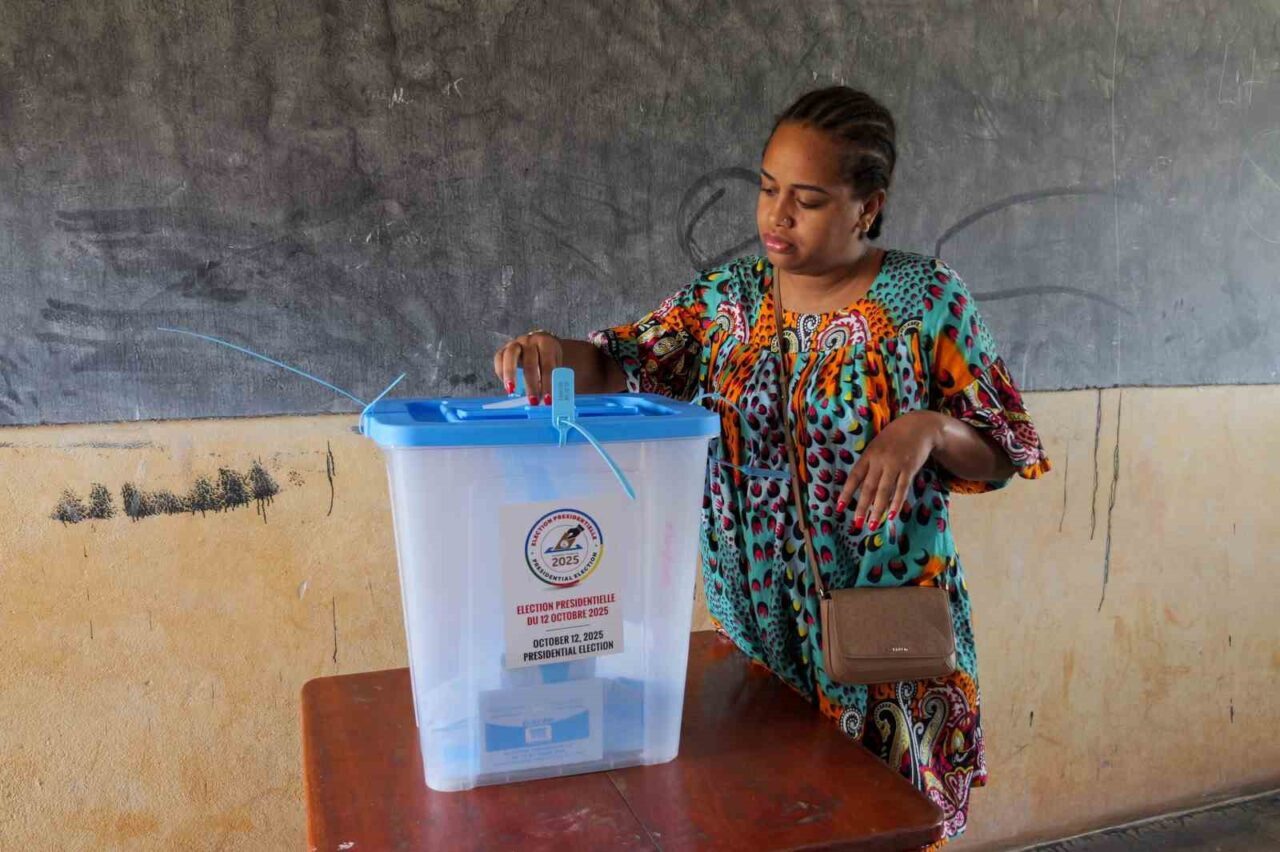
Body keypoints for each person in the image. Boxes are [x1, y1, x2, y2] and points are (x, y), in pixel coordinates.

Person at [493, 86, 1051, 845]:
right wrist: (550, 354)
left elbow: (1004, 449)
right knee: (758, 825)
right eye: (767, 189)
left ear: (867, 207)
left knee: (883, 829)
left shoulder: (925, 300)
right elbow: (620, 363)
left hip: (883, 649)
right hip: (755, 644)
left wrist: (927, 429)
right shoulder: (725, 302)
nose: (777, 215)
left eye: (808, 199)